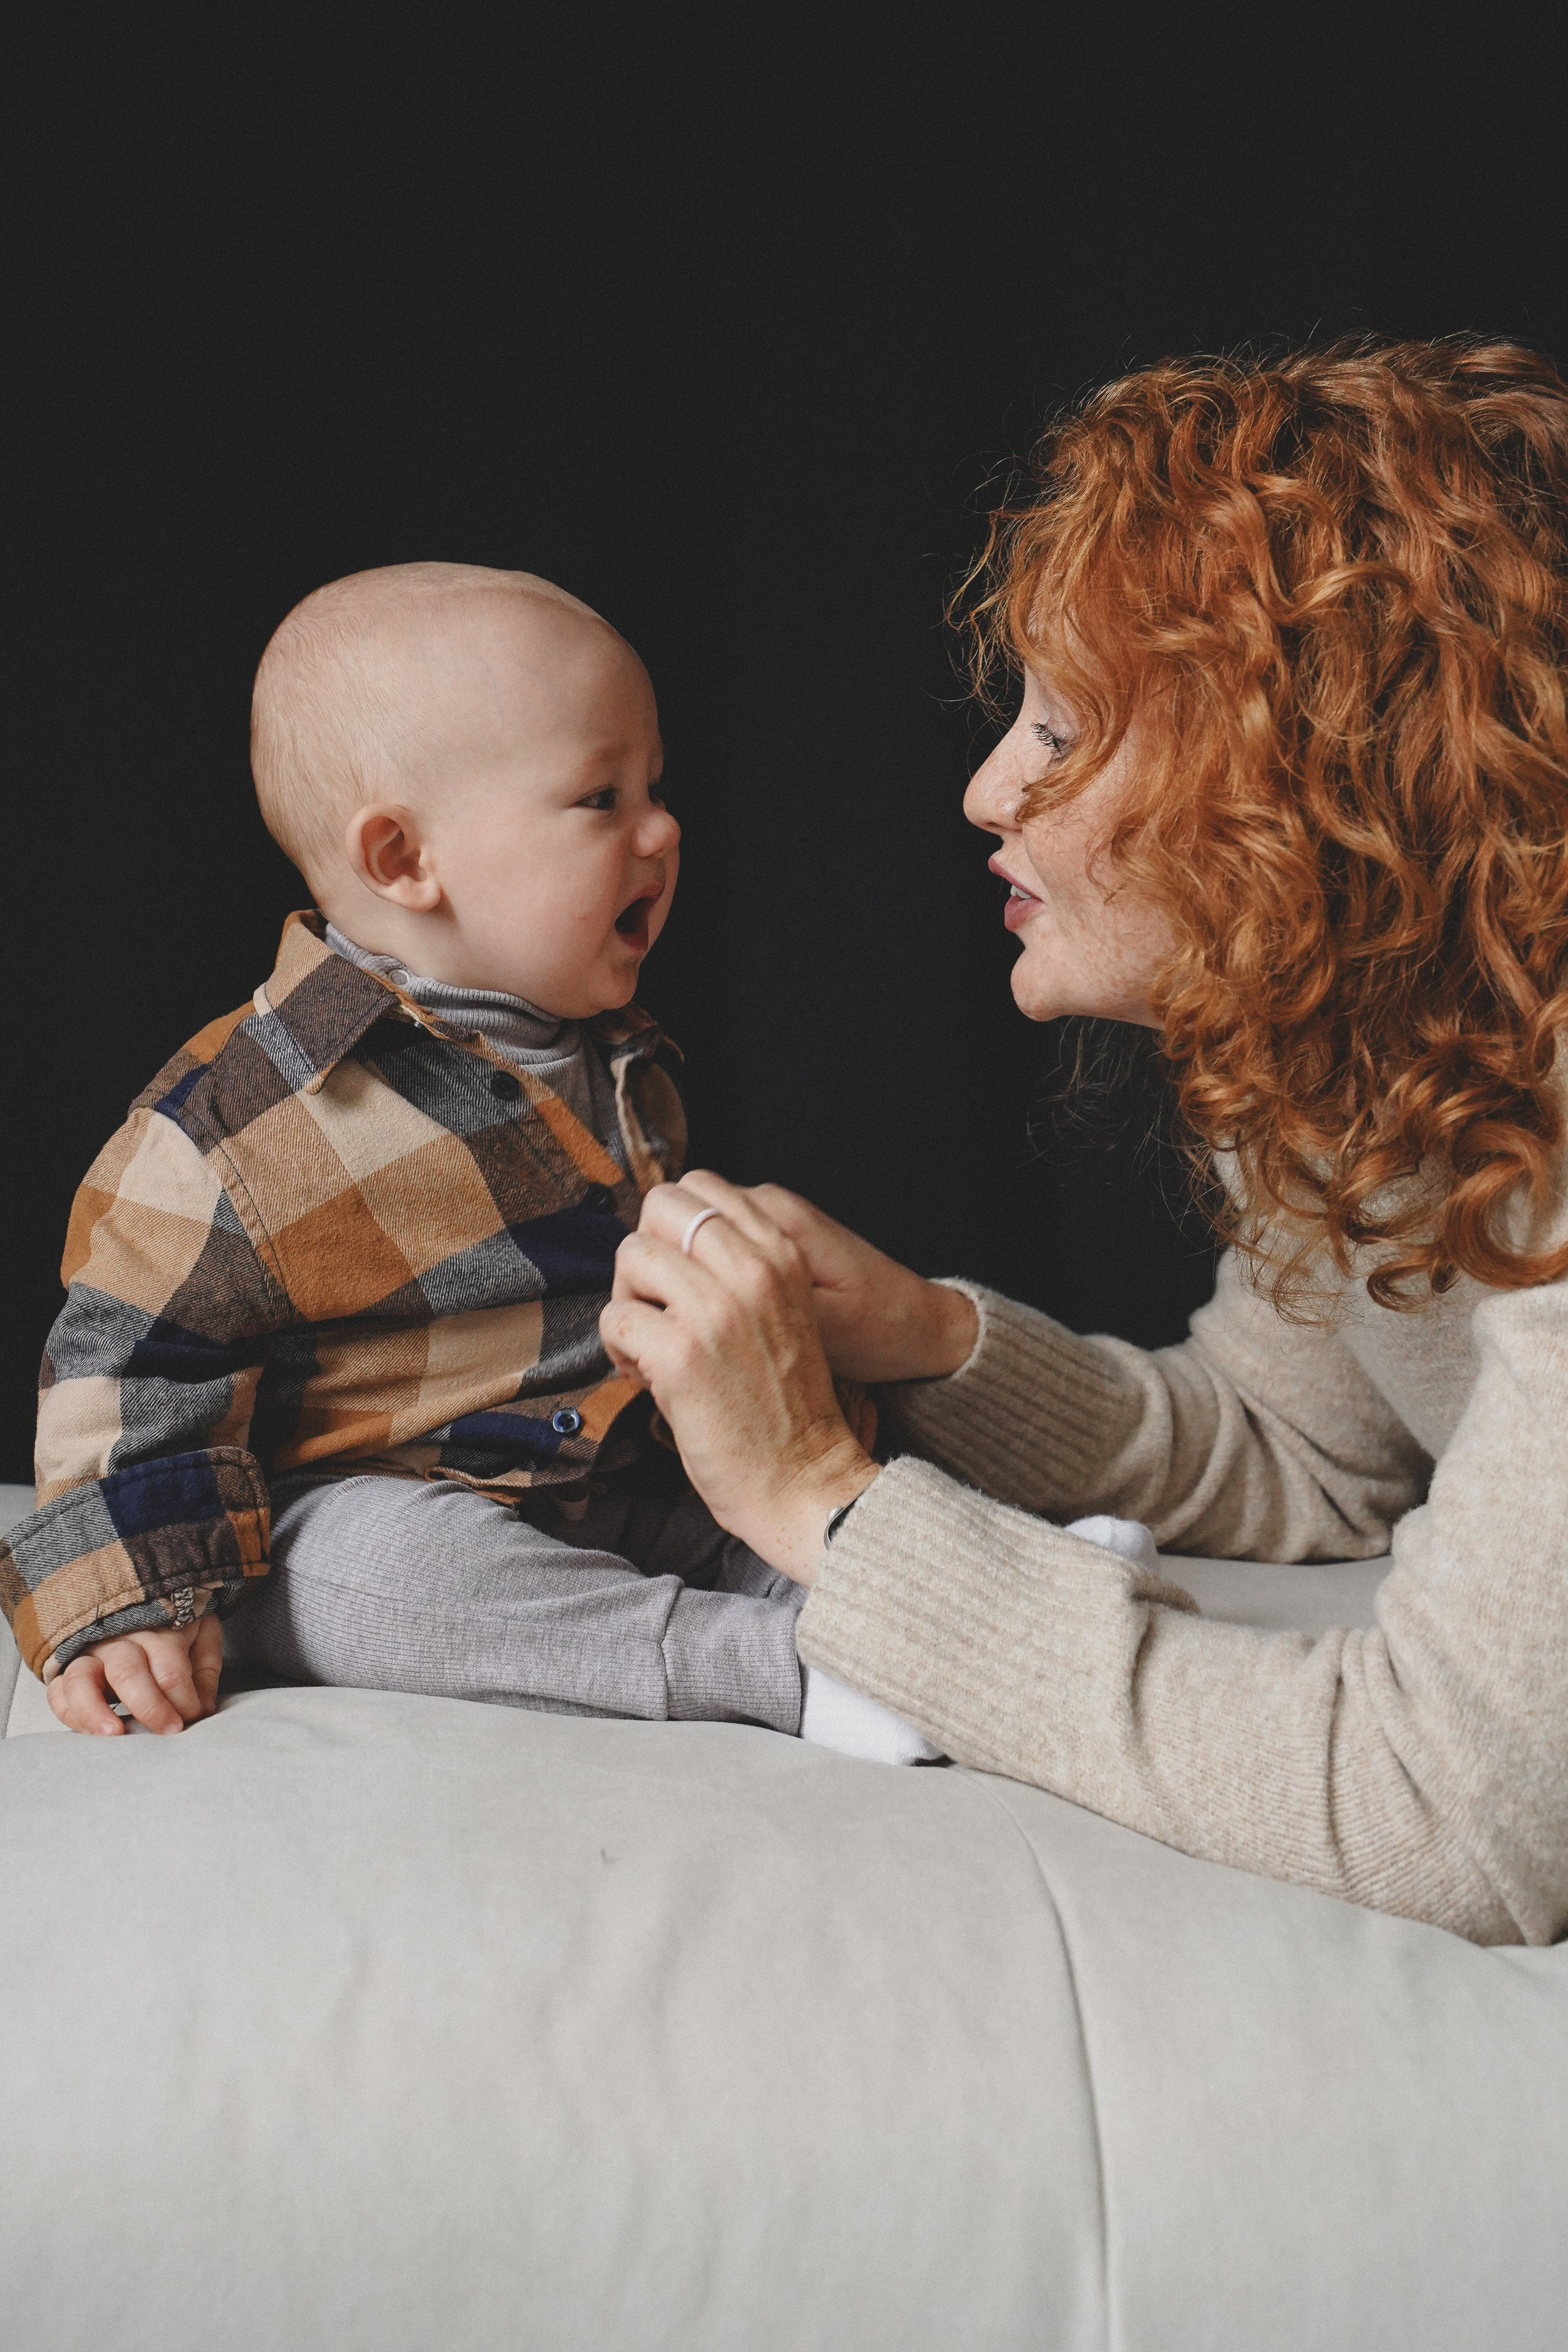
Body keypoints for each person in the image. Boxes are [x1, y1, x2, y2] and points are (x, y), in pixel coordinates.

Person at [600, 341, 1568, 1947]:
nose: (990, 790)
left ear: (1301, 764)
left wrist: (831, 1517)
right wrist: (928, 1343)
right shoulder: (1389, 1035)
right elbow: (1316, 1458)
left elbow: (1452, 1819)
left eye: (1060, 730)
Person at [4, 562, 910, 1755]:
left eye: (655, 785)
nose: (663, 828)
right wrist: (125, 1604)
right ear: (402, 860)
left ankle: (937, 1613)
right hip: (364, 1515)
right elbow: (119, 1364)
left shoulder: (611, 1058)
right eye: (600, 797)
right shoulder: (239, 1128)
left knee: (751, 1494)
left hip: (592, 1479)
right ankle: (760, 1672)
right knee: (372, 1567)